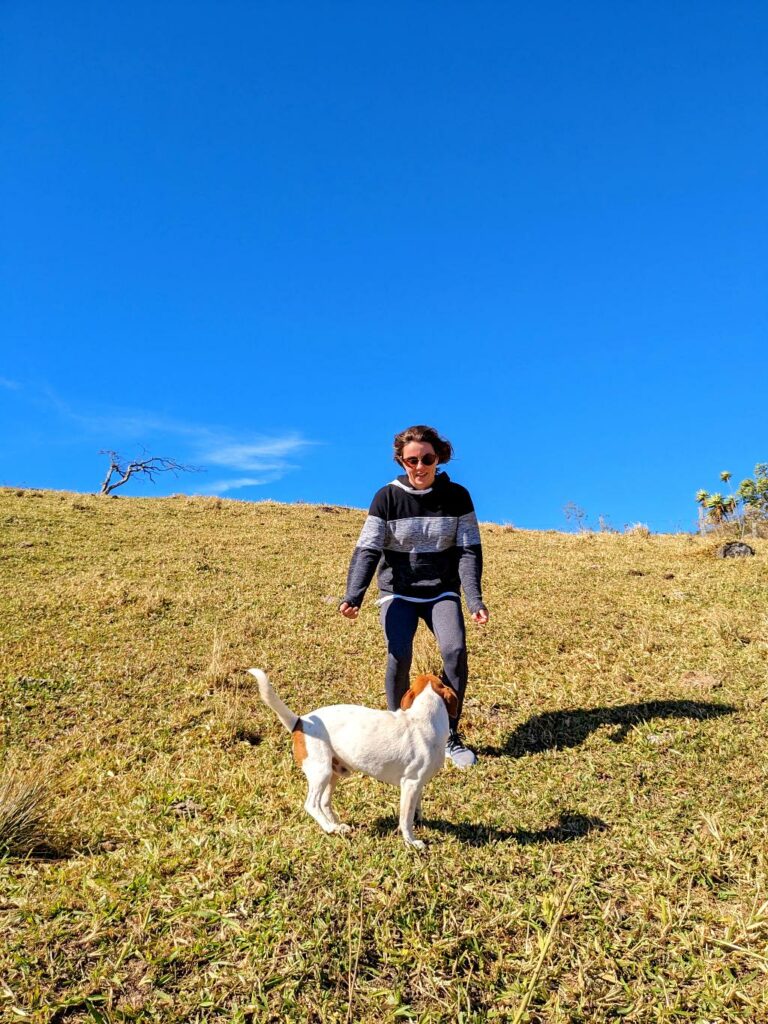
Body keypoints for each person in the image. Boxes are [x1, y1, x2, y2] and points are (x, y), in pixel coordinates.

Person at [339, 425, 489, 767]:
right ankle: (398, 730)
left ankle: (449, 734)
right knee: (399, 654)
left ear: (439, 458)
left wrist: (474, 598)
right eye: (411, 460)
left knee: (454, 651)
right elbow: (368, 549)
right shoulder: (387, 497)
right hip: (398, 592)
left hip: (442, 590)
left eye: (427, 459)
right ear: (400, 461)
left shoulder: (458, 497)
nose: (419, 467)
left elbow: (469, 550)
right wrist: (354, 595)